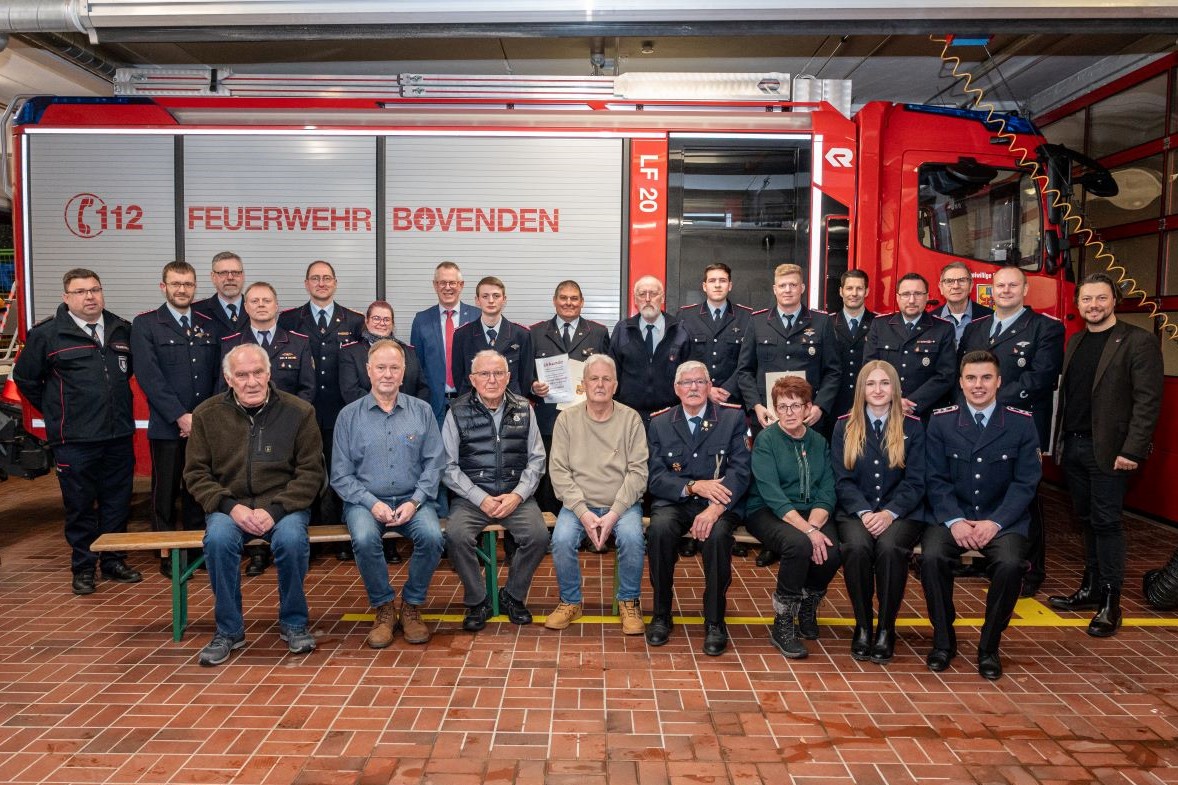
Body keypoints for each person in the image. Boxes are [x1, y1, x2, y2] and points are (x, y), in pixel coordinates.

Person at [184, 344, 325, 667]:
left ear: (269, 373)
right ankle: (229, 630)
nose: (251, 382)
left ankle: (293, 623)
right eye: (242, 375)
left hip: (283, 505)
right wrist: (230, 507)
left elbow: (311, 473)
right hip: (229, 506)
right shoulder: (206, 414)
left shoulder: (299, 411)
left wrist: (274, 511)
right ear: (228, 378)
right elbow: (195, 473)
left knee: (291, 540)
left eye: (258, 372)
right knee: (218, 540)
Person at [1049, 273, 1164, 637]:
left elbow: (1147, 402)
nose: (1093, 306)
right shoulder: (1077, 341)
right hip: (1075, 446)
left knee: (1107, 522)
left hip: (1111, 452)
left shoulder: (1138, 341)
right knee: (1086, 520)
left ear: (1115, 300)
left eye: (1100, 298)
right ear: (1078, 305)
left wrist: (1132, 449)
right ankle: (1091, 589)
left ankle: (1111, 603)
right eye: (1086, 300)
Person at [13, 268, 141, 595]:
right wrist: (59, 412)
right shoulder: (48, 335)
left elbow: (126, 376)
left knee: (117, 503)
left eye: (95, 290)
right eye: (81, 291)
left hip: (117, 436)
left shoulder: (120, 329)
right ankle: (83, 568)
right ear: (66, 297)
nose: (89, 297)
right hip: (74, 441)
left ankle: (113, 561)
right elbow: (26, 379)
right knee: (80, 506)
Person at [921, 350, 1040, 680]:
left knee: (1012, 564)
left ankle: (989, 646)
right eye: (971, 378)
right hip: (951, 516)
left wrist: (996, 522)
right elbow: (935, 478)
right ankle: (944, 641)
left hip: (1002, 518)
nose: (978, 385)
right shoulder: (942, 421)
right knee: (931, 558)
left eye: (986, 377)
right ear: (960, 382)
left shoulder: (1020, 423)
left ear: (999, 382)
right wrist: (954, 520)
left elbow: (1026, 481)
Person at [332, 339, 446, 647]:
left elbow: (435, 463)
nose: (387, 374)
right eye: (380, 367)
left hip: (413, 499)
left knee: (433, 537)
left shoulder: (421, 411)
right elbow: (340, 476)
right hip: (363, 502)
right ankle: (383, 607)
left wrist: (416, 501)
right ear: (368, 371)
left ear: (403, 371)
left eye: (394, 367)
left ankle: (411, 605)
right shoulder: (348, 416)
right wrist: (371, 503)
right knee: (366, 538)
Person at [959, 266, 1064, 596]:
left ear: (1025, 289)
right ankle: (990, 560)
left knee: (1026, 495)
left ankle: (1030, 571)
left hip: (1020, 424)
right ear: (991, 290)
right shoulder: (977, 328)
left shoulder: (1045, 328)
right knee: (985, 488)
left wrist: (988, 398)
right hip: (977, 422)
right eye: (999, 285)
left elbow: (1041, 377)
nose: (1005, 291)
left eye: (1012, 285)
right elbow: (964, 372)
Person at [736, 262, 839, 567]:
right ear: (775, 289)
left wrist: (820, 406)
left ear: (802, 288)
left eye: (794, 285)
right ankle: (775, 540)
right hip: (769, 418)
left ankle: (800, 533)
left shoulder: (820, 323)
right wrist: (756, 405)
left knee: (805, 478)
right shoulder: (757, 323)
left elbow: (834, 371)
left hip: (807, 418)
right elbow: (744, 371)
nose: (788, 290)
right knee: (772, 478)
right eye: (783, 285)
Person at [645, 361, 750, 655]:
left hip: (719, 503)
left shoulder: (732, 418)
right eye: (687, 382)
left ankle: (715, 621)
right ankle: (662, 615)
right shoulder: (660, 422)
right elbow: (655, 476)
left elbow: (741, 470)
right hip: (676, 500)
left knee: (717, 539)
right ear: (676, 389)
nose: (693, 387)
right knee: (660, 531)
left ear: (709, 386)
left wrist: (715, 508)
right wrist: (693, 486)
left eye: (700, 382)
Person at [442, 350, 549, 631]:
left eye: (498, 373)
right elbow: (447, 466)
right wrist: (480, 497)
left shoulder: (525, 408)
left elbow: (537, 459)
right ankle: (478, 601)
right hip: (472, 497)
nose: (492, 380)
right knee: (456, 535)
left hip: (516, 494)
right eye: (484, 374)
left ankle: (512, 595)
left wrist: (518, 495)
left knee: (538, 536)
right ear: (472, 379)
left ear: (508, 377)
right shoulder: (456, 411)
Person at [545, 354, 648, 635]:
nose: (600, 384)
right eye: (594, 378)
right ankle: (570, 602)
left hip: (622, 504)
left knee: (632, 537)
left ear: (615, 385)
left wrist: (614, 513)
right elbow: (559, 471)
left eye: (606, 379)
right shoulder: (566, 420)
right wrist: (582, 512)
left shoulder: (631, 419)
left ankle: (628, 600)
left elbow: (638, 473)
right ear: (583, 384)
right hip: (580, 504)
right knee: (562, 539)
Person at [832, 361, 927, 664]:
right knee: (857, 548)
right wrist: (863, 511)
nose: (877, 390)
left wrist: (888, 513)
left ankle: (886, 627)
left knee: (889, 549)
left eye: (884, 383)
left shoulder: (912, 426)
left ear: (895, 389)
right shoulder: (844, 424)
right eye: (870, 384)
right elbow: (841, 480)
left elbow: (916, 481)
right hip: (856, 510)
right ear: (861, 389)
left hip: (900, 511)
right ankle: (862, 625)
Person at [131, 261, 221, 577]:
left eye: (187, 284)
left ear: (195, 287)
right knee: (165, 492)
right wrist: (180, 416)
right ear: (163, 287)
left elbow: (217, 374)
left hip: (203, 426)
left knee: (198, 489)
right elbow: (149, 376)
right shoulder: (146, 325)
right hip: (168, 426)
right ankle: (167, 550)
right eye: (175, 284)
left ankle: (198, 546)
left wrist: (202, 417)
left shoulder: (209, 324)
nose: (182, 289)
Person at [220, 281, 314, 576]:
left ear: (277, 306)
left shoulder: (298, 341)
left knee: (280, 481)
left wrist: (290, 421)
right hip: (242, 429)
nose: (261, 305)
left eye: (267, 300)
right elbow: (221, 391)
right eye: (255, 301)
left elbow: (308, 388)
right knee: (250, 481)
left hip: (288, 429)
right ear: (245, 307)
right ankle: (258, 553)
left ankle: (285, 549)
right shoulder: (229, 343)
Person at [745, 376, 838, 660]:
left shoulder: (819, 441)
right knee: (798, 545)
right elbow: (772, 494)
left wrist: (815, 525)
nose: (788, 413)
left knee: (834, 551)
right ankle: (783, 622)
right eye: (782, 407)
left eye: (795, 406)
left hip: (812, 514)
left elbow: (827, 488)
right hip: (767, 511)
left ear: (808, 408)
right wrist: (808, 532)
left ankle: (809, 603)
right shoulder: (766, 440)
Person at [278, 260, 365, 559]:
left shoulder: (354, 321)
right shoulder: (289, 319)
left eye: (327, 278)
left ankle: (343, 539)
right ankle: (309, 540)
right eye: (315, 278)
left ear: (335, 283)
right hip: (301, 413)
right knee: (304, 473)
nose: (321, 283)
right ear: (306, 284)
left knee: (341, 473)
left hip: (341, 413)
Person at [528, 280, 610, 516]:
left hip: (587, 417)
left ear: (582, 302)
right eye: (563, 298)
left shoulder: (598, 332)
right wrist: (534, 386)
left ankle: (589, 525)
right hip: (548, 418)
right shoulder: (535, 332)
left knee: (587, 471)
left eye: (574, 298)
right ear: (554, 301)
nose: (568, 303)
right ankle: (550, 527)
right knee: (550, 473)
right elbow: (525, 376)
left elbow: (609, 373)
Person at [864, 272, 956, 419]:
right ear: (897, 297)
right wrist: (892, 400)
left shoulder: (943, 328)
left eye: (918, 294)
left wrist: (912, 403)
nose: (912, 300)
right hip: (885, 411)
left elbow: (945, 375)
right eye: (906, 294)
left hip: (925, 414)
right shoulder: (879, 325)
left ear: (927, 297)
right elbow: (869, 368)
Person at [609, 275, 689, 426]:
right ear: (635, 299)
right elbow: (612, 372)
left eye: (653, 294)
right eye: (642, 294)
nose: (647, 299)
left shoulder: (680, 330)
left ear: (662, 298)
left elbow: (688, 373)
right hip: (629, 416)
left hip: (671, 416)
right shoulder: (622, 329)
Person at [409, 261, 480, 428]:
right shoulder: (421, 320)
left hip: (471, 404)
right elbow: (416, 366)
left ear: (461, 285)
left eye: (452, 283)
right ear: (435, 285)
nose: (447, 287)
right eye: (442, 282)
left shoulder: (478, 317)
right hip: (434, 407)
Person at [678, 263, 753, 406]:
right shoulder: (686, 316)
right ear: (704, 286)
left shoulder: (747, 317)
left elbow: (748, 361)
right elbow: (681, 360)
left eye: (722, 281)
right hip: (695, 397)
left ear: (730, 286)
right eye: (712, 281)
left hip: (732, 400)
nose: (717, 285)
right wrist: (706, 389)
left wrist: (728, 389)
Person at [451, 276, 533, 398]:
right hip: (473, 407)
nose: (491, 300)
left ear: (504, 299)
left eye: (496, 296)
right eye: (485, 296)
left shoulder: (521, 335)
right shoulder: (462, 335)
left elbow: (525, 379)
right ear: (477, 300)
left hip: (510, 406)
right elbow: (459, 377)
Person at [339, 301, 429, 406]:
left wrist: (410, 410)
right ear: (367, 321)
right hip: (367, 416)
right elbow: (351, 391)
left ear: (392, 323)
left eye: (387, 319)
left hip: (408, 416)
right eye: (376, 318)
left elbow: (423, 389)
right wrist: (386, 408)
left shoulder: (409, 352)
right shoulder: (350, 353)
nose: (382, 323)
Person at [831, 269, 876, 418]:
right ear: (841, 291)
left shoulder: (879, 323)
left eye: (859, 288)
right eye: (849, 288)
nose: (854, 293)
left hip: (869, 403)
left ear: (867, 291)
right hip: (833, 404)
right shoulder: (827, 323)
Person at [192, 251, 249, 340]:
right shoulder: (197, 312)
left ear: (243, 276)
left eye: (236, 272)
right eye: (223, 273)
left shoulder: (257, 308)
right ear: (213, 277)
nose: (230, 277)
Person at [935, 261, 992, 347]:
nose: (956, 286)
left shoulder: (990, 317)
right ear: (941, 287)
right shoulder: (929, 320)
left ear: (971, 285)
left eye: (962, 280)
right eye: (949, 281)